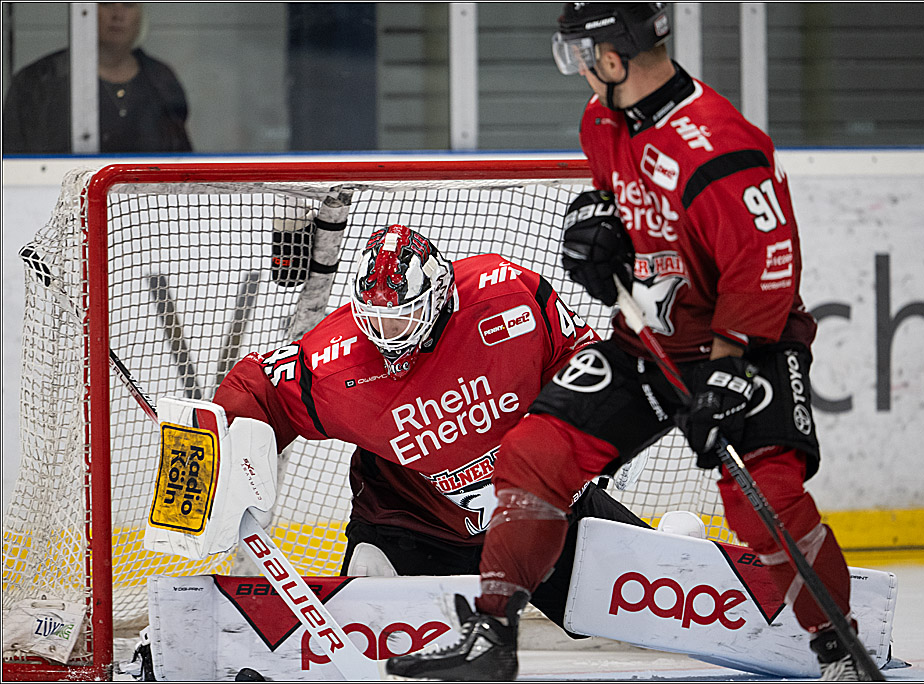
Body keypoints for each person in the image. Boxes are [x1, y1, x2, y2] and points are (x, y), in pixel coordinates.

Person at [388, 3, 865, 681]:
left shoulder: (722, 147)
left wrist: (731, 369)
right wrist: (602, 232)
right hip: (651, 342)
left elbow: (768, 268)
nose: (578, 71)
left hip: (749, 344)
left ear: (611, 59)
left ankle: (838, 649)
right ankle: (492, 633)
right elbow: (630, 211)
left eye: (581, 57)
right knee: (534, 452)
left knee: (766, 495)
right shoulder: (602, 122)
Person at [212, 223, 649, 637]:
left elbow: (578, 354)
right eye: (374, 319)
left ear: (439, 295)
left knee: (661, 604)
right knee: (376, 658)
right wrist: (221, 451)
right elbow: (258, 388)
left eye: (401, 318)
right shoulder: (335, 360)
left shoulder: (508, 296)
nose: (386, 335)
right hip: (414, 528)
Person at [3, 2, 192, 154]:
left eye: (128, 5)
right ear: (83, 12)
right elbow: (13, 160)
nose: (118, 15)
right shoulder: (39, 80)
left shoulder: (161, 80)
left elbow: (181, 157)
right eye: (106, 3)